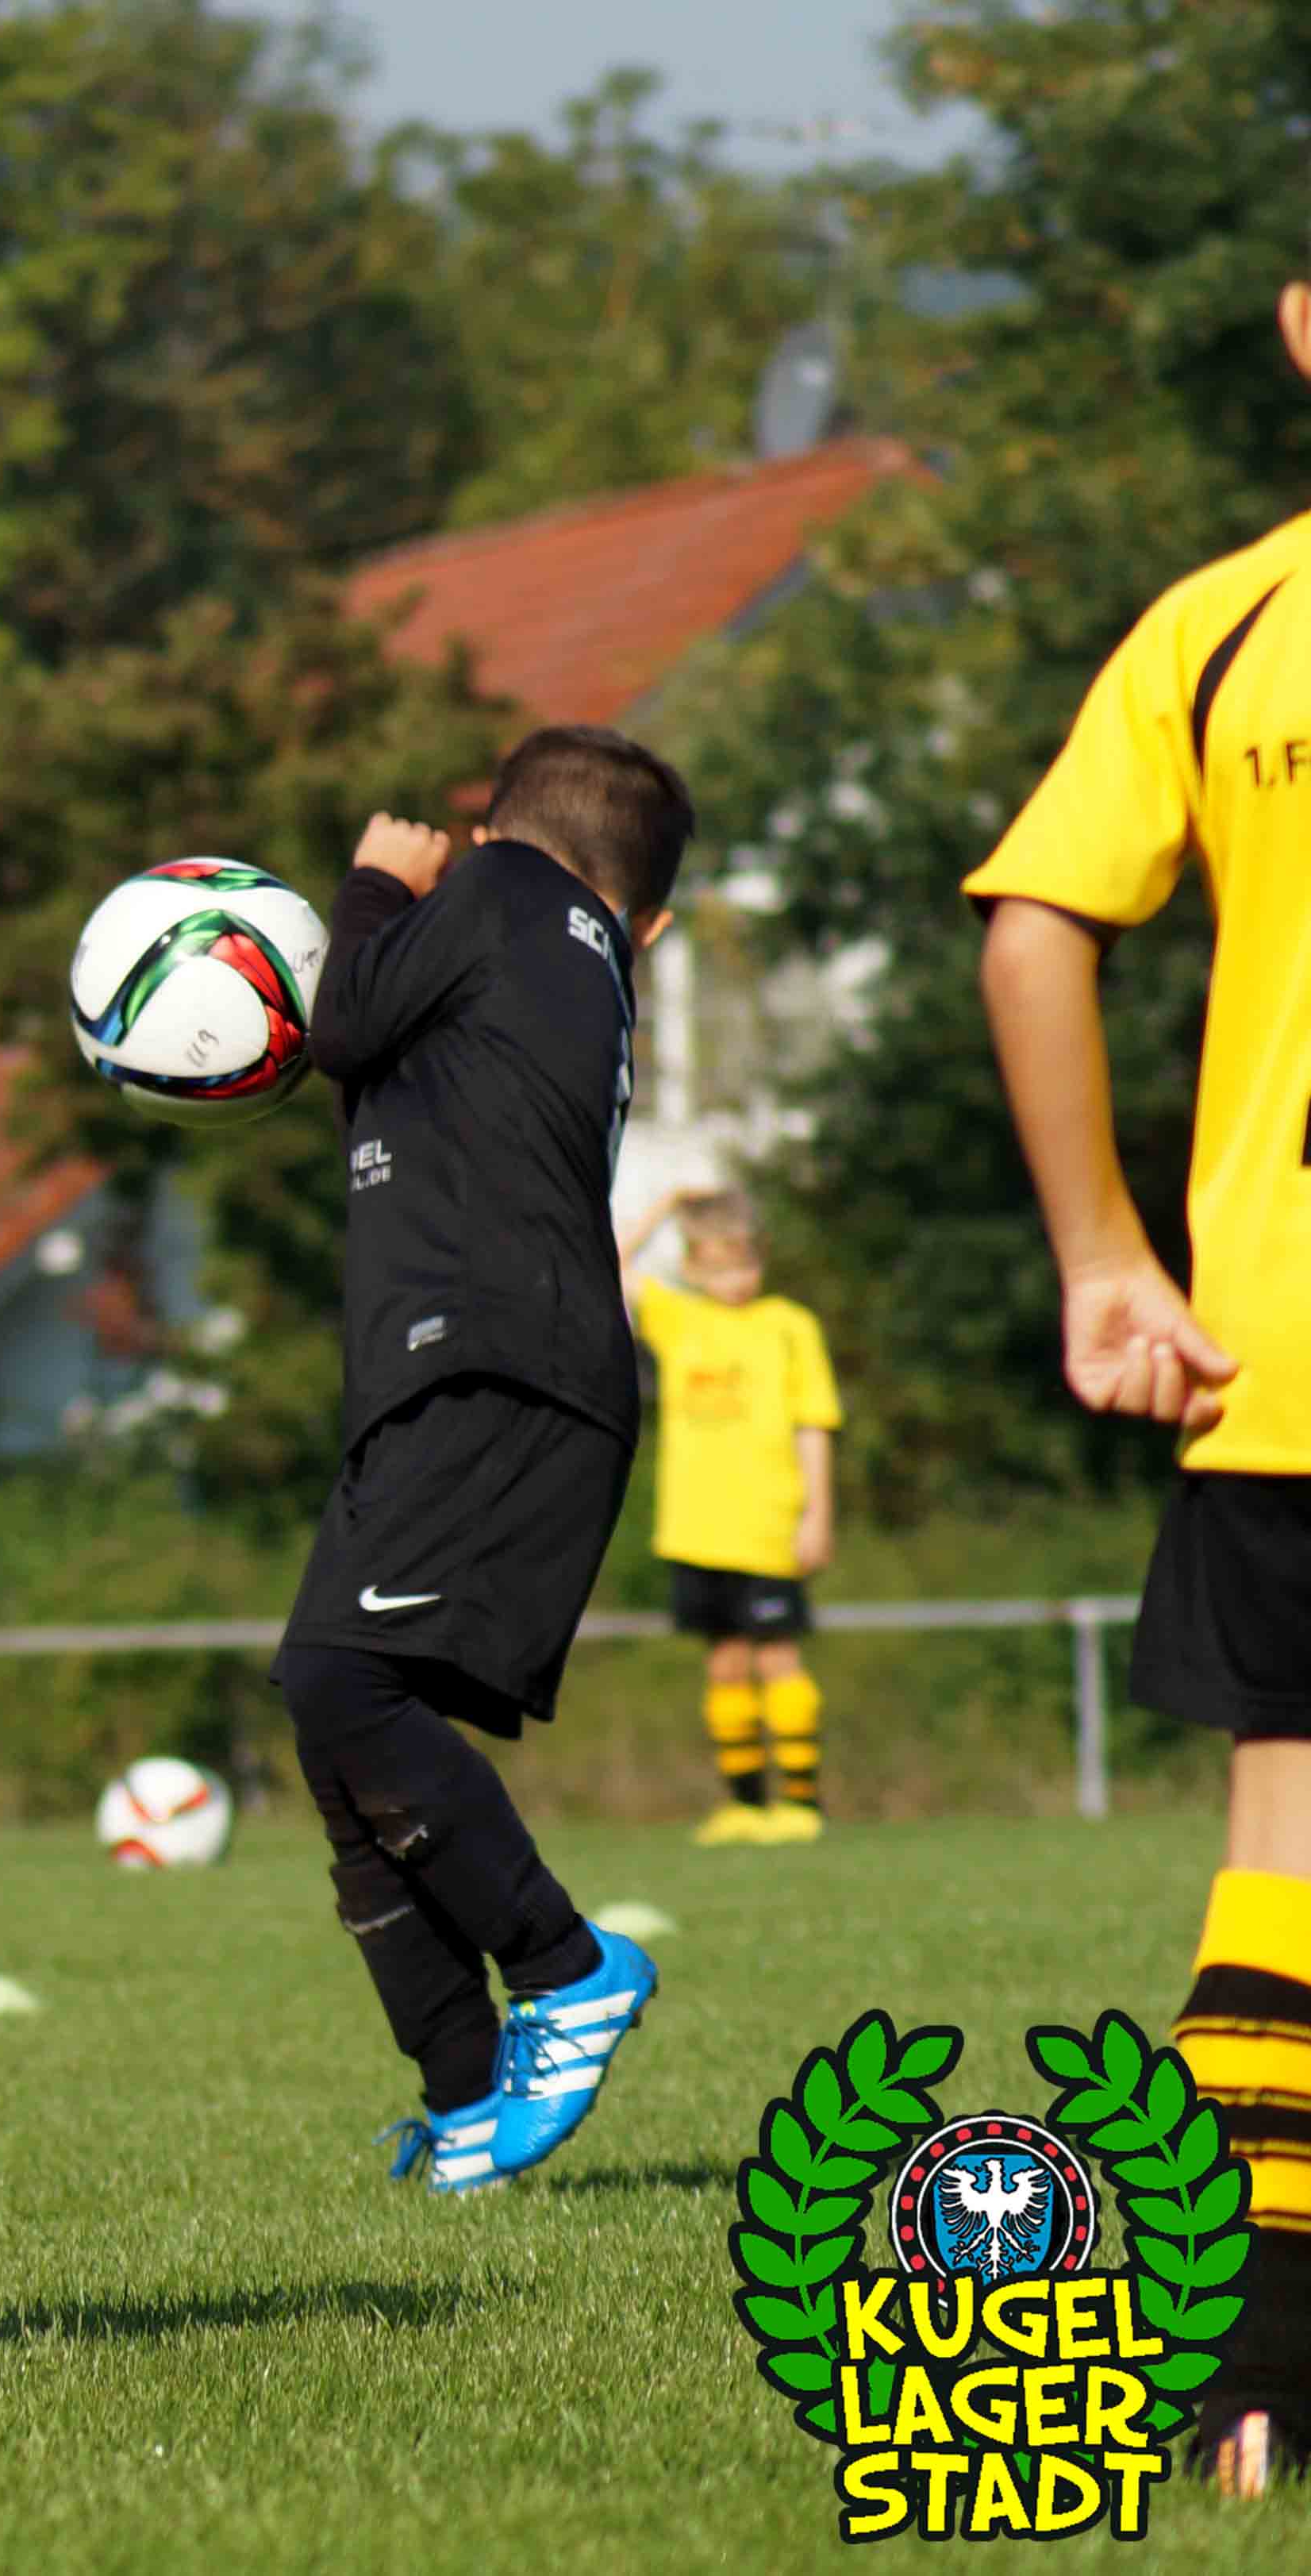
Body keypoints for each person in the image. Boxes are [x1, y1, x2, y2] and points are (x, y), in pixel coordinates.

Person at [970, 258, 1311, 2486]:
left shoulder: (1222, 627)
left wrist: (1107, 1251)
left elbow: (1034, 928)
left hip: (1282, 1335)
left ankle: (1253, 2374)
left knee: (1289, 1832)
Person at [271, 731, 687, 2197]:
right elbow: (382, 1076)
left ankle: (566, 1969)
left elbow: (340, 1024)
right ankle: (464, 2101)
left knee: (344, 1686)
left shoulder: (506, 893)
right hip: (473, 1363)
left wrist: (374, 886)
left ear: (495, 830)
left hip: (496, 1361)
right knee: (332, 1708)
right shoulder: (569, 960)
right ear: (653, 921)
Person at [615, 1184, 844, 1845]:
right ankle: (744, 1804)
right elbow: (605, 1260)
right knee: (725, 1665)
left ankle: (801, 1803)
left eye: (743, 1263)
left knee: (778, 1659)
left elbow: (813, 1424)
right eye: (716, 1267)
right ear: (692, 1267)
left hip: (769, 1525)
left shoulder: (789, 1326)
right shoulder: (678, 1319)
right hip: (696, 1529)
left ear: (761, 1256)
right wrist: (666, 1206)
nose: (733, 1279)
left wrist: (817, 1514)